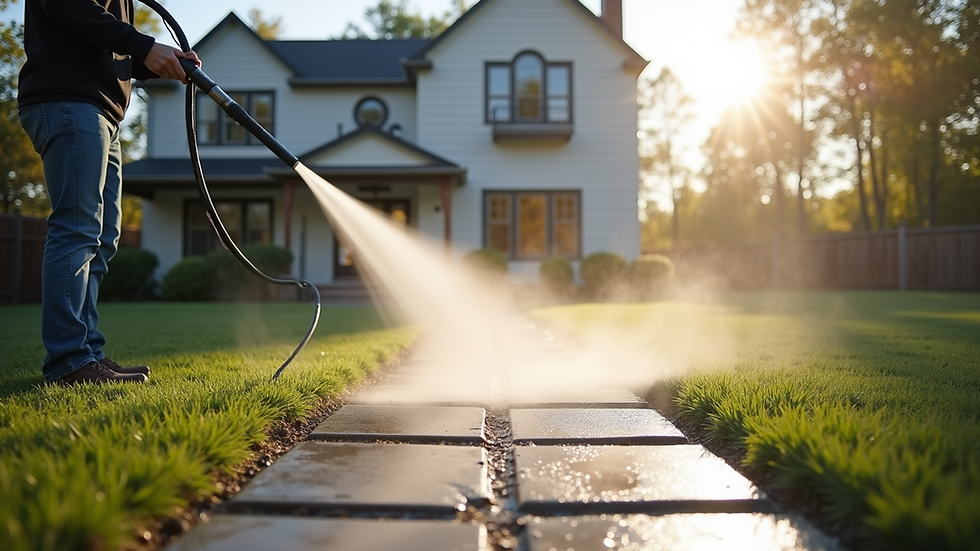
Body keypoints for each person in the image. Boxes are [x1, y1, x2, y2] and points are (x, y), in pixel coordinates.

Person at [18, 0, 200, 385]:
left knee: (103, 237)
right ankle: (69, 360)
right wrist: (145, 45)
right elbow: (66, 7)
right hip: (69, 101)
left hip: (103, 112)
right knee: (77, 229)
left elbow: (102, 46)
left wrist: (155, 63)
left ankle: (87, 353)